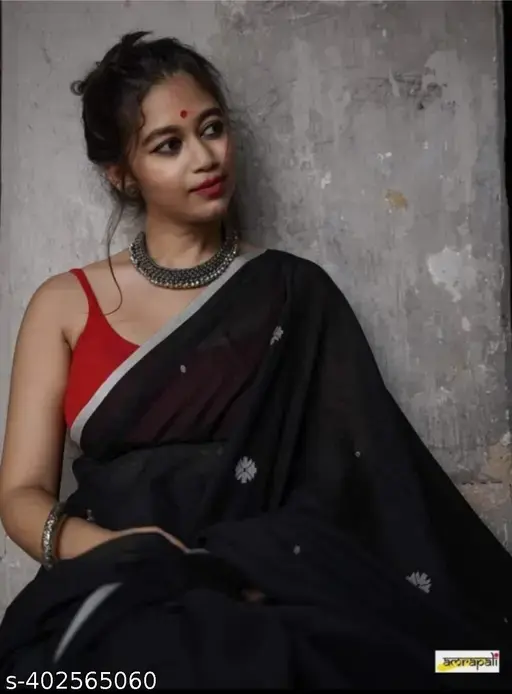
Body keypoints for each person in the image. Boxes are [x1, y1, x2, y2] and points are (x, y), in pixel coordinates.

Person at [0, 30, 510, 689]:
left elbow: (366, 477)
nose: (205, 157)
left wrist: (251, 562)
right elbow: (20, 494)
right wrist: (122, 551)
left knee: (461, 664)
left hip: (273, 578)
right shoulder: (63, 305)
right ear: (121, 174)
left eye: (212, 129)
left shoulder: (294, 295)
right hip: (115, 584)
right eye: (168, 145)